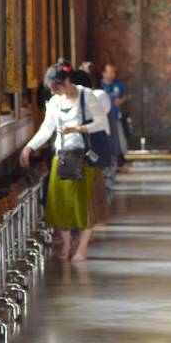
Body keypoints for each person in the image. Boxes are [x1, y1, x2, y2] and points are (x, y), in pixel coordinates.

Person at [19, 60, 109, 263]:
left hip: (84, 158)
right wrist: (29, 147)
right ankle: (67, 243)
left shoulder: (86, 96)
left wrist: (77, 128)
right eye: (53, 90)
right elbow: (46, 129)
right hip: (62, 157)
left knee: (84, 204)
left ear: (67, 81)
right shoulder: (55, 102)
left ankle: (82, 248)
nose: (57, 93)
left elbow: (101, 122)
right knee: (60, 204)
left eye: (58, 88)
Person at [101, 64, 130, 174]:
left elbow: (124, 96)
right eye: (110, 72)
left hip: (116, 116)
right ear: (104, 73)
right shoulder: (100, 86)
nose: (112, 74)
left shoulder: (118, 85)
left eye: (114, 72)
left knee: (119, 141)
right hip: (103, 119)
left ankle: (119, 163)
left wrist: (120, 101)